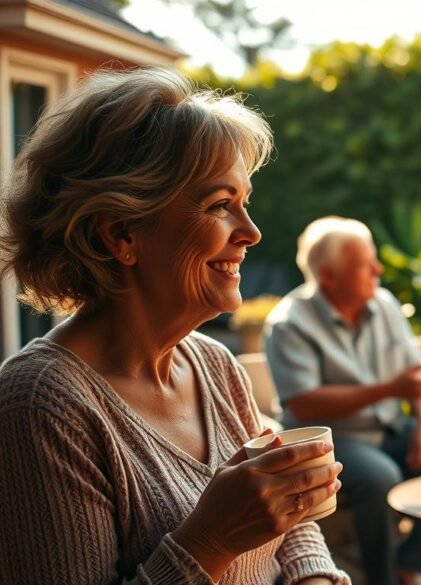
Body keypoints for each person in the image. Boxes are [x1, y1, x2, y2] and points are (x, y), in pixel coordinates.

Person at [0, 68, 348, 584]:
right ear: (121, 234)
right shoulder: (41, 407)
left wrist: (315, 578)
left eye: (243, 204)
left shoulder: (213, 364)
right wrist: (211, 541)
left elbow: (289, 518)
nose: (251, 233)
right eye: (220, 206)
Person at [263, 216, 421, 585]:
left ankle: (409, 564)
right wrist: (390, 389)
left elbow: (417, 378)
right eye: (365, 264)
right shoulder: (289, 323)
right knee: (379, 478)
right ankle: (383, 579)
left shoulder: (384, 303)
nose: (379, 269)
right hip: (329, 439)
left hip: (390, 426)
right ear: (329, 277)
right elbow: (305, 404)